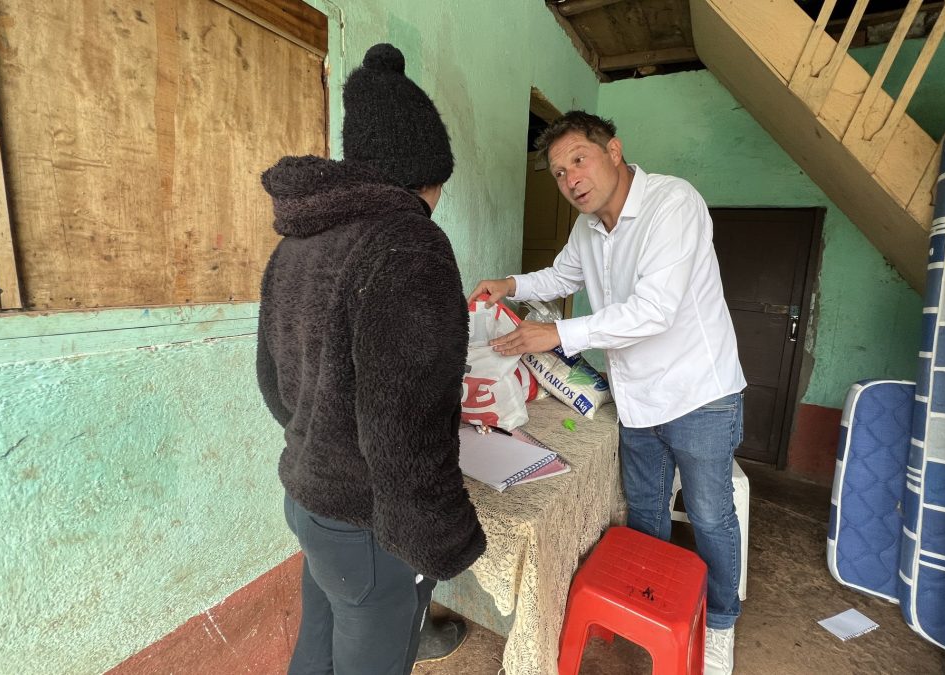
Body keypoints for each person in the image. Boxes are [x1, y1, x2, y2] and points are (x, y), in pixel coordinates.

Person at [468, 110, 746, 674]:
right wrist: (511, 284)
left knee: (712, 513)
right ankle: (650, 607)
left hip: (699, 392)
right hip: (638, 398)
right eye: (558, 171)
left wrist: (558, 333)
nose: (570, 178)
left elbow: (656, 311)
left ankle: (717, 622)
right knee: (645, 509)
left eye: (579, 159)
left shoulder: (673, 204)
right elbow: (561, 277)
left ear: (613, 151)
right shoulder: (587, 228)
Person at [257, 43, 485, 675]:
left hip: (307, 496)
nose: (440, 198)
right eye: (441, 184)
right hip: (369, 523)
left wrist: (319, 439)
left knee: (319, 641)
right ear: (425, 173)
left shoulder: (300, 241)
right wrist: (442, 540)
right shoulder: (409, 243)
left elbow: (273, 384)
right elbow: (403, 425)